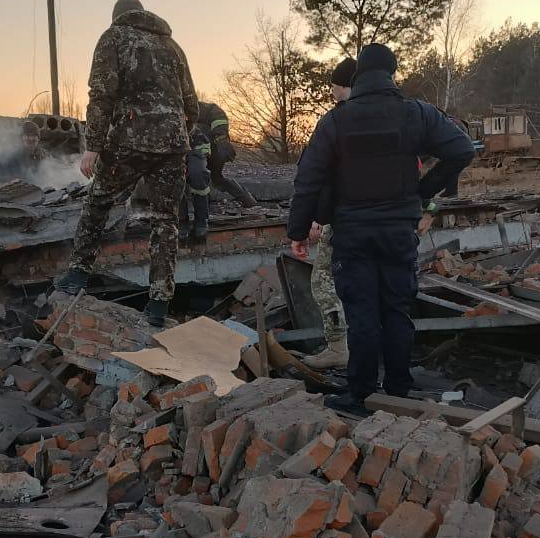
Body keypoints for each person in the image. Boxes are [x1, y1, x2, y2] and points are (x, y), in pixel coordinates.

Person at [287, 43, 475, 415]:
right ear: (392, 73)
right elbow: (462, 150)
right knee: (396, 309)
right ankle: (398, 390)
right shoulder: (415, 113)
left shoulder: (336, 121)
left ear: (357, 78)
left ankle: (359, 394)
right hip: (398, 231)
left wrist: (297, 231)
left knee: (361, 313)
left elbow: (308, 178)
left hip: (352, 232)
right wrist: (422, 191)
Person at [56, 0, 198, 325]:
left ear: (116, 16)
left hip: (127, 142)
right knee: (166, 220)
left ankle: (78, 274)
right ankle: (159, 305)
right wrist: (177, 134)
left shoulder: (114, 37)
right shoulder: (173, 46)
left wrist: (92, 146)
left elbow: (101, 94)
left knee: (98, 202)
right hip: (173, 144)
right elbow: (192, 103)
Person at [306, 57, 355, 370]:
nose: (331, 91)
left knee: (323, 281)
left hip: (340, 218)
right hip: (382, 220)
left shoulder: (334, 121)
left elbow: (314, 174)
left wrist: (314, 217)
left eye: (333, 85)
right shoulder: (392, 114)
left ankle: (338, 347)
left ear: (341, 85)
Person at [197, 101, 257, 207]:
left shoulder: (190, 108)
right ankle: (248, 201)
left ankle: (200, 210)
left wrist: (221, 139)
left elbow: (217, 115)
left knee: (198, 177)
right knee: (216, 179)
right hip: (214, 150)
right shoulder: (200, 110)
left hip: (209, 151)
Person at [180, 122, 213, 241]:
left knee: (198, 174)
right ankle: (181, 220)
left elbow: (192, 111)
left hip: (195, 143)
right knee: (173, 180)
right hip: (165, 147)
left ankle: (201, 220)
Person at [0, 120, 48, 186]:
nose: (31, 139)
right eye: (27, 135)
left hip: (39, 189)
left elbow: (53, 169)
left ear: (38, 138)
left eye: (34, 135)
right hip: (17, 191)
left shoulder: (43, 155)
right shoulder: (12, 154)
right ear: (22, 138)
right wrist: (9, 180)